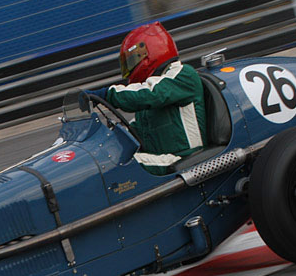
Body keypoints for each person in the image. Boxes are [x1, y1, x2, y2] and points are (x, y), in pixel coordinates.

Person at [86, 22, 206, 175]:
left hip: (184, 158)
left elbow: (151, 93)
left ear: (149, 53)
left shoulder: (182, 75)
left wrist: (106, 94)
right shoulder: (150, 97)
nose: (130, 67)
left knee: (116, 165)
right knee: (105, 159)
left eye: (133, 59)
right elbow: (135, 132)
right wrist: (106, 139)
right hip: (162, 157)